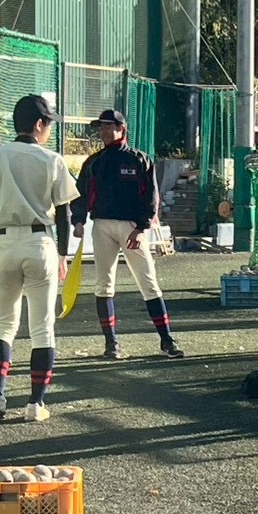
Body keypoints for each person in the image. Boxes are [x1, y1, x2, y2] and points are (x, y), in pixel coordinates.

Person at [0, 95, 80, 422]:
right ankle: (35, 404)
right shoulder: (51, 159)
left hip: (1, 244)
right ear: (39, 124)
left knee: (3, 324)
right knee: (42, 327)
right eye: (48, 123)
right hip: (39, 242)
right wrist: (63, 254)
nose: (49, 129)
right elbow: (64, 213)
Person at [71, 109, 184, 360]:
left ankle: (167, 340)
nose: (102, 131)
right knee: (104, 284)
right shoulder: (94, 162)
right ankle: (111, 344)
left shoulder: (139, 159)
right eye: (100, 127)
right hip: (101, 226)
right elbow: (80, 193)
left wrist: (141, 227)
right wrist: (78, 220)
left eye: (107, 126)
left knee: (149, 283)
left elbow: (152, 197)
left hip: (132, 227)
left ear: (121, 129)